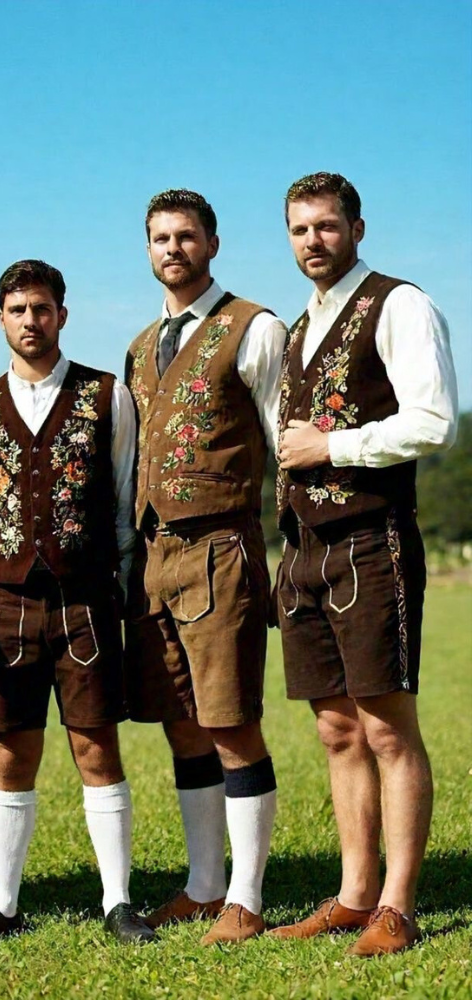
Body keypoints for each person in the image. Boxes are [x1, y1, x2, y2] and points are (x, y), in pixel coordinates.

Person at [270, 173, 457, 956]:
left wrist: (332, 445)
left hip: (371, 541)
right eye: (300, 229)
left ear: (357, 227)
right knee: (337, 730)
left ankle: (398, 906)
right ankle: (352, 896)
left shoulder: (399, 303)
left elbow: (434, 419)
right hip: (305, 551)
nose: (314, 240)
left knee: (387, 730)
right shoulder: (296, 329)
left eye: (327, 226)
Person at [0, 259, 149, 946]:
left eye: (42, 308)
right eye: (18, 310)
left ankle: (117, 902)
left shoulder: (106, 396)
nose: (31, 321)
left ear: (62, 314)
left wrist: (122, 596)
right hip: (5, 605)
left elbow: (124, 509)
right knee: (12, 754)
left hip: (86, 601)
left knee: (97, 747)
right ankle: (2, 904)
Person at [123, 190, 286, 945]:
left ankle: (246, 899)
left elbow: (287, 443)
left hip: (221, 547)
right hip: (156, 557)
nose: (172, 249)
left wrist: (288, 549)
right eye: (160, 238)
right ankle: (203, 884)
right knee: (182, 728)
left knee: (229, 723)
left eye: (186, 236)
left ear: (213, 244)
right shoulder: (140, 343)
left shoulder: (254, 329)